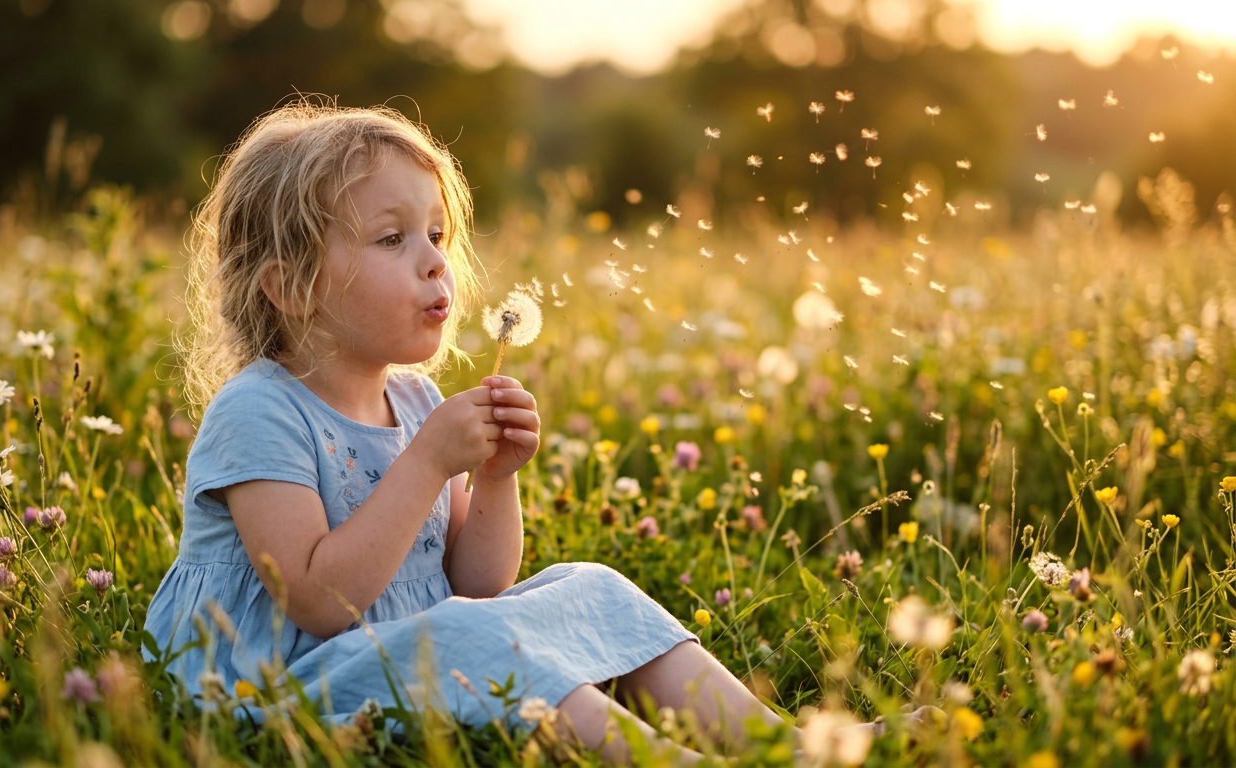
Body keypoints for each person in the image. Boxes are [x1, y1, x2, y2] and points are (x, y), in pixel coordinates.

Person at [143, 101, 914, 763]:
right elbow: (315, 600)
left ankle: (785, 745)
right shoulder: (259, 411)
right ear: (290, 287)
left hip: (417, 654)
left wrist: (495, 478)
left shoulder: (414, 400)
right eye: (391, 239)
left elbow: (477, 586)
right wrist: (427, 463)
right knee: (465, 637)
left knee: (591, 588)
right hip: (277, 687)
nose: (434, 263)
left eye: (437, 235)